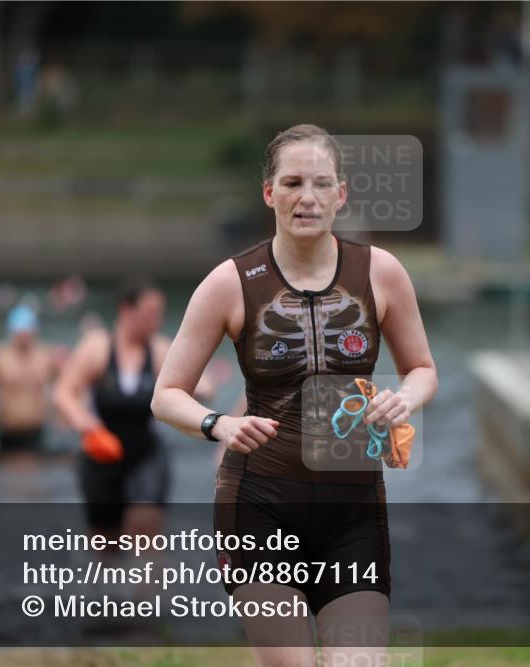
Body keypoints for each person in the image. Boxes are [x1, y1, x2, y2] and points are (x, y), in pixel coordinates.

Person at [151, 124, 438, 665]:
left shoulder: (381, 273)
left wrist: (405, 398)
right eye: (292, 183)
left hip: (352, 510)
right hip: (260, 505)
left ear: (341, 194)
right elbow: (166, 394)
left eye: (321, 184)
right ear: (269, 193)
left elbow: (422, 368)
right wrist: (219, 424)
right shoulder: (230, 283)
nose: (307, 197)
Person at [54, 280, 213, 538]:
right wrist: (85, 423)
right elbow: (64, 392)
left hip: (146, 455)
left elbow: (202, 383)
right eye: (150, 313)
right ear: (126, 311)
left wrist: (198, 389)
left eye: (159, 313)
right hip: (101, 453)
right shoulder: (98, 348)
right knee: (105, 540)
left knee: (146, 526)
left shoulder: (160, 349)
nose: (157, 320)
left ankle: (149, 579)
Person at [0, 304, 60, 460]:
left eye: (26, 332)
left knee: (34, 476)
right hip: (7, 430)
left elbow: (67, 387)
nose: (23, 336)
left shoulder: (46, 356)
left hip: (36, 430)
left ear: (34, 331)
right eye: (19, 332)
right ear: (12, 332)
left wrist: (60, 414)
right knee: (7, 476)